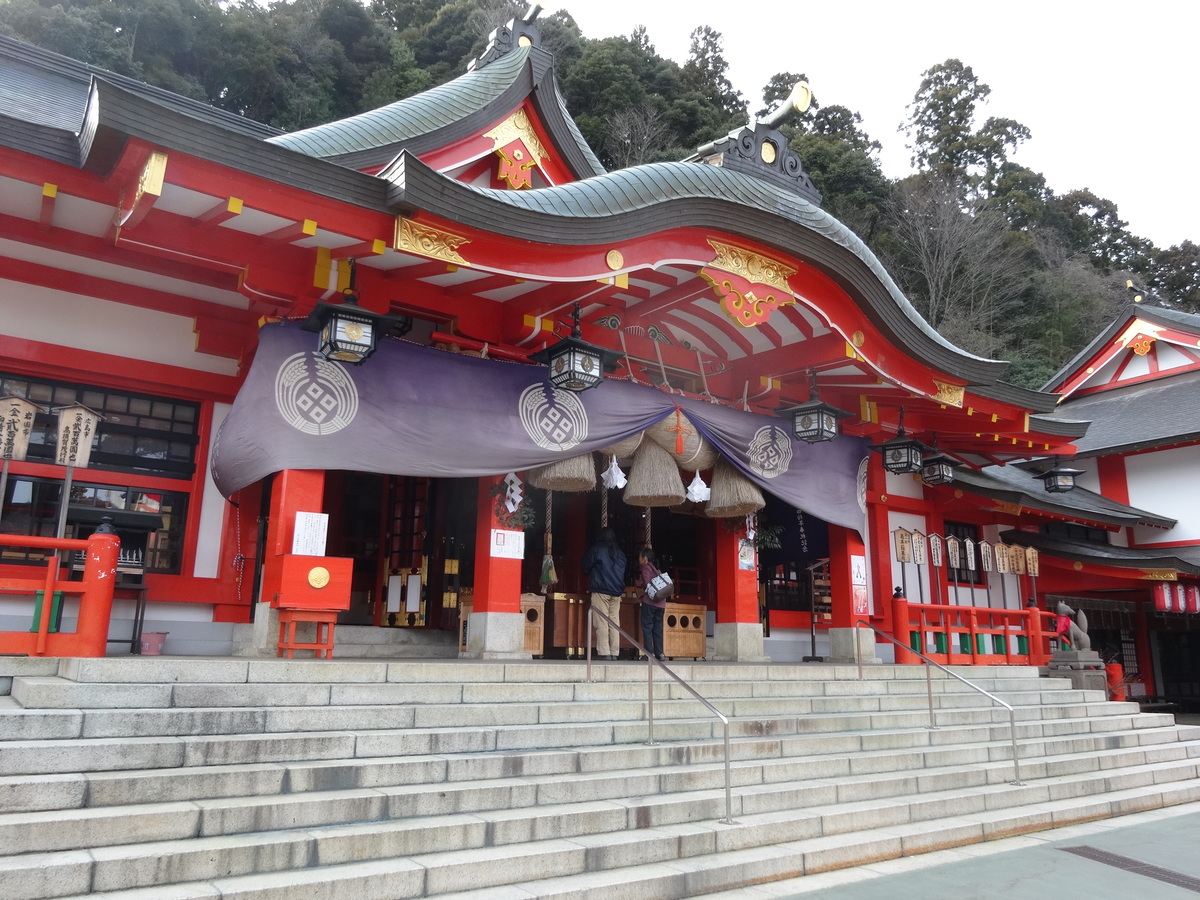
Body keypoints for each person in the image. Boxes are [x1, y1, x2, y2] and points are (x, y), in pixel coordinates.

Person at [581, 527, 626, 660]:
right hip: (617, 591)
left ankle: (604, 652)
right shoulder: (620, 553)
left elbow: (585, 566)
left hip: (601, 589)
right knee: (614, 621)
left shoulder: (596, 549)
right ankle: (614, 652)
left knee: (601, 621)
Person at [636, 547, 667, 661]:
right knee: (657, 628)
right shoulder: (657, 569)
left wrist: (640, 584)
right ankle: (660, 653)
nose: (639, 559)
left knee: (647, 627)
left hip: (649, 602)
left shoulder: (646, 568)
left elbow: (647, 583)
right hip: (661, 604)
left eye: (640, 557)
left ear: (645, 558)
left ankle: (649, 653)